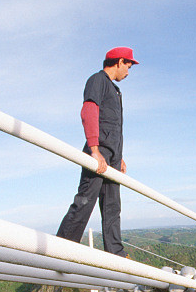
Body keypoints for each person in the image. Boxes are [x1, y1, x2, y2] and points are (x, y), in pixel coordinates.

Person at [57, 47, 138, 256]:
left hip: (111, 157)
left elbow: (110, 127)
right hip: (98, 154)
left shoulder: (114, 89)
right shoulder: (98, 80)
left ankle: (116, 254)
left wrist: (119, 157)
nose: (128, 72)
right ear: (119, 62)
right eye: (128, 66)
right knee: (85, 201)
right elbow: (89, 112)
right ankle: (61, 250)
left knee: (112, 206)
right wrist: (94, 150)